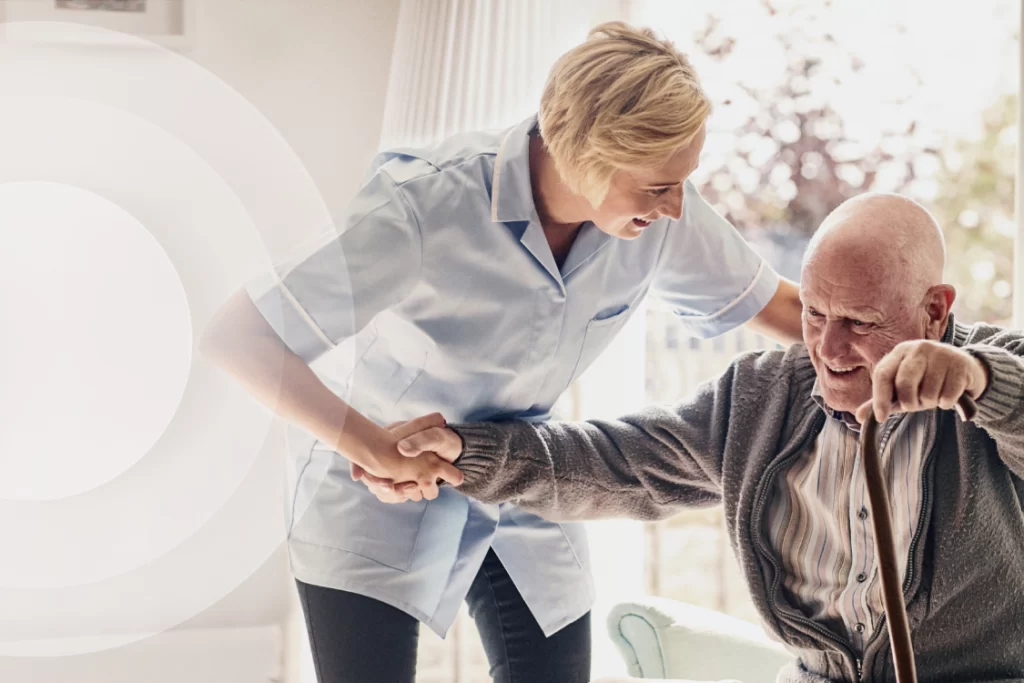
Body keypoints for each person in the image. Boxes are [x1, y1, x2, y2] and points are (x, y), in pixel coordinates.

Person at [201, 21, 803, 683]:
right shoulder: (424, 206)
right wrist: (372, 447)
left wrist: (915, 347)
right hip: (372, 489)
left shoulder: (655, 214)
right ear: (591, 153)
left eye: (682, 182)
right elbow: (239, 337)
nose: (675, 206)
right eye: (659, 187)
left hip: (521, 475)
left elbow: (783, 307)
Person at [395, 193, 1024, 683]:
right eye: (813, 313)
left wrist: (977, 381)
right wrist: (466, 453)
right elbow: (617, 462)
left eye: (860, 323)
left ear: (935, 310)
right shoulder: (762, 396)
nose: (828, 350)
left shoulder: (989, 372)